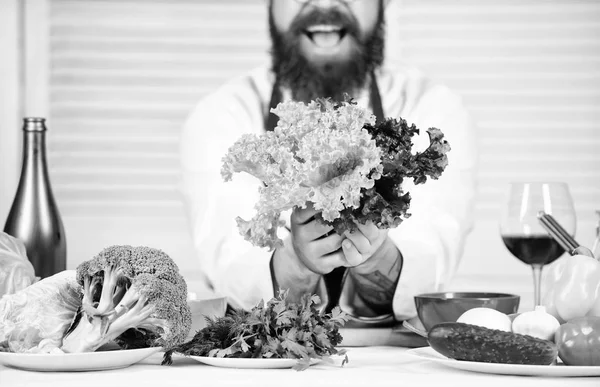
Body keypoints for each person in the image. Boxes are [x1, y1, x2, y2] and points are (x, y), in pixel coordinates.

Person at [180, 0, 478, 322]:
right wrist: (295, 263)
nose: (323, 3)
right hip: (268, 368)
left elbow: (431, 262)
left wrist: (376, 257)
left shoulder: (432, 105)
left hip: (398, 365)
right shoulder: (223, 113)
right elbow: (228, 264)